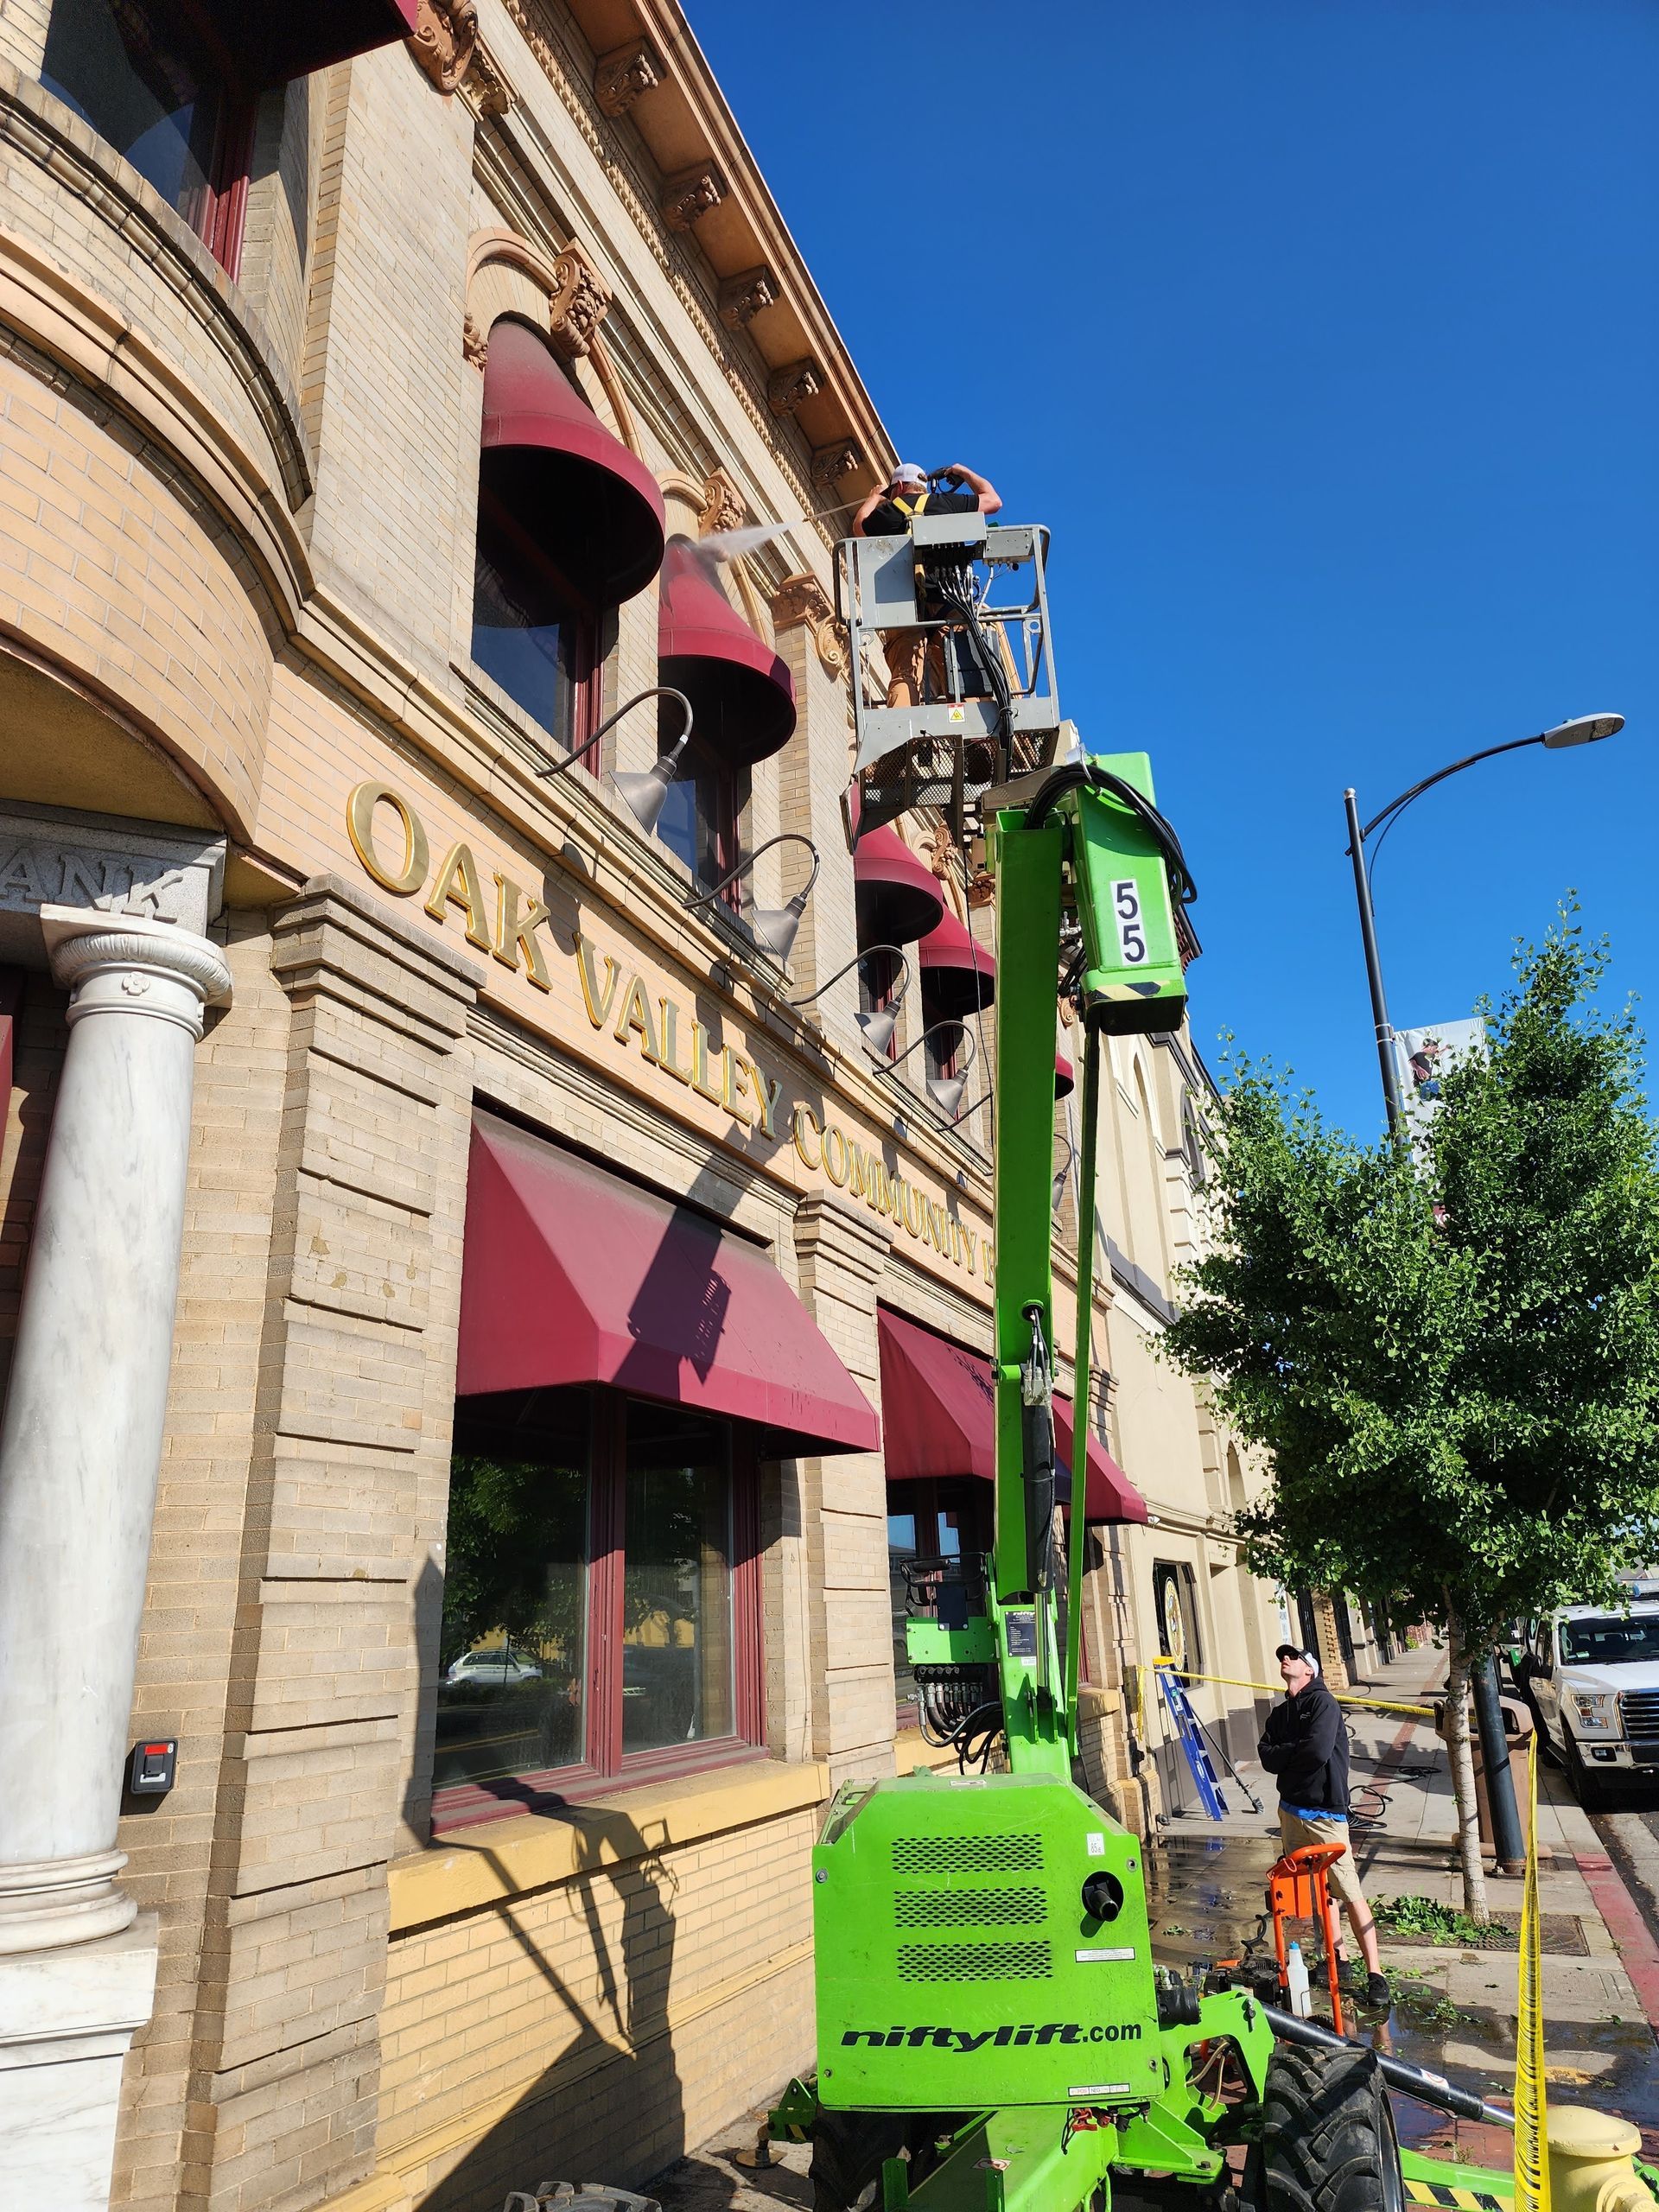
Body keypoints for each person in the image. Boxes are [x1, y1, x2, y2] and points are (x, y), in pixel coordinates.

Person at [1258, 1643, 1389, 2008]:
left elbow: (1317, 1752)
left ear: (1309, 1670)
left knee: (1348, 1889)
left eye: (1293, 1656)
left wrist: (1288, 1753)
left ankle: (1375, 1973)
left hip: (1325, 1814)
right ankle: (1339, 1959)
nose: (1285, 1660)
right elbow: (1266, 1756)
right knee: (1320, 1891)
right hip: (1290, 1811)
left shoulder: (1324, 1704)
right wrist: (1294, 1750)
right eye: (1281, 1657)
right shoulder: (1281, 1712)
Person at [852, 462, 1002, 709]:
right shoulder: (946, 504)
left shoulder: (888, 513)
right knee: (958, 669)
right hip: (950, 603)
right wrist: (963, 472)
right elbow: (993, 501)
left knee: (905, 672)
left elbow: (860, 527)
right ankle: (974, 724)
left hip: (902, 608)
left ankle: (902, 725)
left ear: (900, 486)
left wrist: (875, 497)